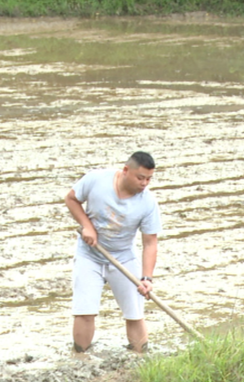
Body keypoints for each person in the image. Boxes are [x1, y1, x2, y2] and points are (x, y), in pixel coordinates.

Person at [65, 151, 162, 353]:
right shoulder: (97, 180)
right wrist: (87, 226)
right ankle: (81, 359)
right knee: (85, 312)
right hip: (89, 254)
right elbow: (72, 199)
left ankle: (139, 358)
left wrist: (147, 278)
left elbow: (150, 243)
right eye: (140, 178)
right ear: (126, 171)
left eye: (149, 179)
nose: (145, 183)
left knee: (135, 312)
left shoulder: (148, 202)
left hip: (123, 256)